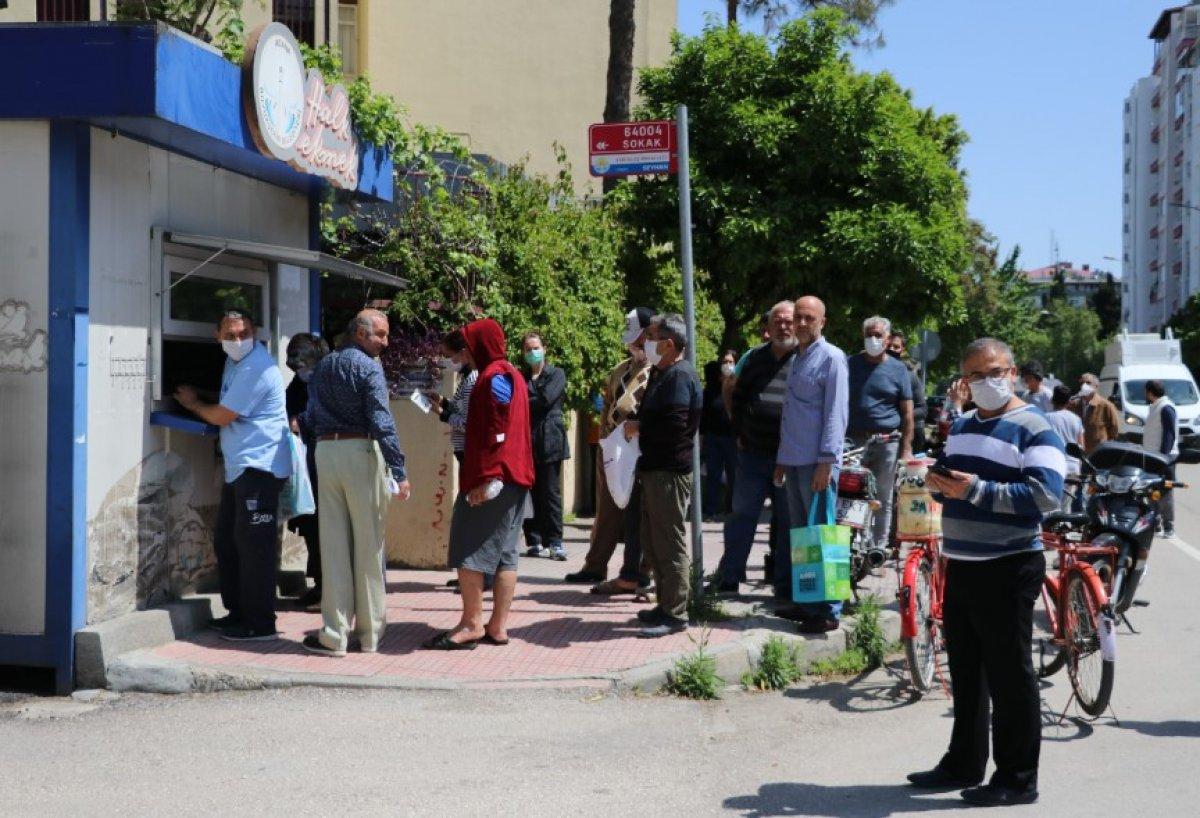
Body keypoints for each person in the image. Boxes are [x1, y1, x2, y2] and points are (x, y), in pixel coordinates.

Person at [909, 337, 1065, 808]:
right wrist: (938, 487)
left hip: (1009, 564)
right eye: (974, 375)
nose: (985, 382)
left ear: (1012, 372)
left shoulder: (1037, 427)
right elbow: (953, 487)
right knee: (967, 672)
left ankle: (1017, 779)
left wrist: (974, 490)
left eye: (993, 371)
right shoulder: (960, 425)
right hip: (964, 563)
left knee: (1010, 676)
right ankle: (963, 762)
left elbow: (1046, 496)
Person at [298, 309, 412, 657]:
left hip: (326, 453)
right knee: (368, 545)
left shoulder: (324, 366)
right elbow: (381, 417)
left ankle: (333, 635)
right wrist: (399, 469)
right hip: (361, 451)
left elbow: (311, 416)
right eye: (380, 334)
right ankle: (370, 635)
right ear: (361, 334)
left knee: (333, 547)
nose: (386, 341)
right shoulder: (368, 366)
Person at [173, 310, 290, 642]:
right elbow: (228, 400)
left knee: (254, 547)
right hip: (241, 468)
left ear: (255, 333)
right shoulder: (234, 362)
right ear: (218, 336)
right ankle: (238, 613)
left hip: (260, 468)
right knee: (228, 541)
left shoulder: (256, 366)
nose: (238, 340)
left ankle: (260, 623)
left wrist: (194, 403)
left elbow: (224, 415)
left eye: (244, 333)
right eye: (231, 335)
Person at [426, 318, 534, 649]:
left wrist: (487, 478)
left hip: (496, 477)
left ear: (479, 346)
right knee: (505, 555)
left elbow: (496, 427)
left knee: (467, 545)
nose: (465, 352)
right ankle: (497, 627)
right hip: (515, 476)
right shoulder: (511, 373)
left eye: (470, 344)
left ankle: (472, 624)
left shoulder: (495, 376)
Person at [565, 307, 655, 595]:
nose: (636, 345)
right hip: (614, 450)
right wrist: (605, 441)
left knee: (642, 515)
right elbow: (607, 407)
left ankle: (642, 571)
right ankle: (594, 566)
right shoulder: (620, 369)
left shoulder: (657, 371)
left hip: (642, 451)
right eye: (633, 340)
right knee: (607, 511)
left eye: (640, 339)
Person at [774, 296, 849, 633]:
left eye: (809, 318)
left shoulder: (832, 359)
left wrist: (827, 462)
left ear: (822, 322)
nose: (801, 324)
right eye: (798, 318)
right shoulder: (797, 358)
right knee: (803, 539)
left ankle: (829, 611)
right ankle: (808, 604)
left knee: (822, 535)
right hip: (794, 461)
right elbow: (792, 413)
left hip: (818, 463)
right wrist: (782, 459)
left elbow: (836, 414)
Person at [625, 313, 703, 638]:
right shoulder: (662, 372)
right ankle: (663, 604)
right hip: (654, 469)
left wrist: (639, 427)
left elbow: (674, 426)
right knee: (653, 541)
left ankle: (676, 612)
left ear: (669, 344)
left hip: (669, 472)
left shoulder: (680, 376)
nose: (647, 342)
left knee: (669, 544)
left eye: (653, 336)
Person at [713, 301, 797, 597]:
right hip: (751, 454)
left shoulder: (804, 358)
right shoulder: (754, 357)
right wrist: (737, 429)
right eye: (778, 321)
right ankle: (730, 577)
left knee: (788, 522)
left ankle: (784, 586)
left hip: (790, 459)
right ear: (769, 326)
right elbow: (733, 389)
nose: (783, 326)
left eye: (788, 321)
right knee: (740, 516)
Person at [426, 329, 493, 592]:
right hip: (464, 453)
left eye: (448, 355)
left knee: (474, 516)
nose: (446, 361)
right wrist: (445, 404)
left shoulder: (475, 377)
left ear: (463, 352)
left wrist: (443, 416)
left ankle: (480, 575)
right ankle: (470, 572)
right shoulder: (468, 377)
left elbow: (470, 422)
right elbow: (463, 409)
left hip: (471, 454)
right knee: (469, 516)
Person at [847, 316, 914, 555]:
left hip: (888, 441)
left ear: (887, 339)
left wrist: (906, 448)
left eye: (878, 335)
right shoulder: (850, 364)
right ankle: (851, 545)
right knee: (851, 493)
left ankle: (877, 548)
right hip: (853, 441)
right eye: (869, 335)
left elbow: (907, 413)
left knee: (883, 497)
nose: (873, 339)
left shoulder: (898, 370)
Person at [284, 332, 330, 611]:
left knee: (326, 528)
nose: (301, 372)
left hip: (324, 463)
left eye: (304, 366)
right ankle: (319, 584)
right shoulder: (299, 384)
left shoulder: (328, 382)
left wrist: (301, 422)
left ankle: (329, 588)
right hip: (306, 466)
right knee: (311, 528)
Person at [521, 331, 570, 561]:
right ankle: (534, 540)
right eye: (528, 349)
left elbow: (545, 400)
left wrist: (524, 400)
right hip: (526, 442)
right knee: (529, 493)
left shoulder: (556, 374)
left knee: (550, 493)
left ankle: (555, 541)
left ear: (544, 348)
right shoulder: (521, 377)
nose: (533, 352)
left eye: (536, 347)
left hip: (550, 440)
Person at [701, 350, 738, 519]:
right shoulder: (711, 388)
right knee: (712, 476)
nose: (727, 365)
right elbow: (704, 413)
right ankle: (710, 510)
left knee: (734, 476)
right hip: (713, 438)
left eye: (730, 362)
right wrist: (702, 437)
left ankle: (732, 510)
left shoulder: (739, 385)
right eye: (725, 361)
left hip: (733, 438)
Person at [1143, 379, 1179, 538]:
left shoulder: (1166, 407)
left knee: (1165, 493)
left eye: (1146, 391)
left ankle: (1169, 527)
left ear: (1150, 392)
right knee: (1152, 491)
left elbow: (1169, 435)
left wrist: (1163, 457)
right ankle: (1155, 525)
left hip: (1164, 457)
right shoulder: (1154, 407)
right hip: (1152, 456)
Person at [1045, 384, 1085, 512]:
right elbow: (1081, 446)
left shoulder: (1045, 418)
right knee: (1066, 508)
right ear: (1069, 402)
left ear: (1052, 400)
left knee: (1050, 507)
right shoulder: (1076, 419)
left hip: (1053, 466)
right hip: (1073, 468)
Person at [888, 331, 927, 453]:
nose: (891, 350)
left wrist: (899, 416)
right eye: (888, 346)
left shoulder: (909, 376)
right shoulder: (872, 373)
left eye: (896, 347)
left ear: (902, 349)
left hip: (909, 435)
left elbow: (922, 410)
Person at [1078, 372, 1119, 453]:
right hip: (1078, 455)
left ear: (1096, 386)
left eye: (1088, 383)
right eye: (1082, 383)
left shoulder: (1107, 406)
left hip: (1098, 455)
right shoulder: (1073, 405)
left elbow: (1114, 431)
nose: (1084, 385)